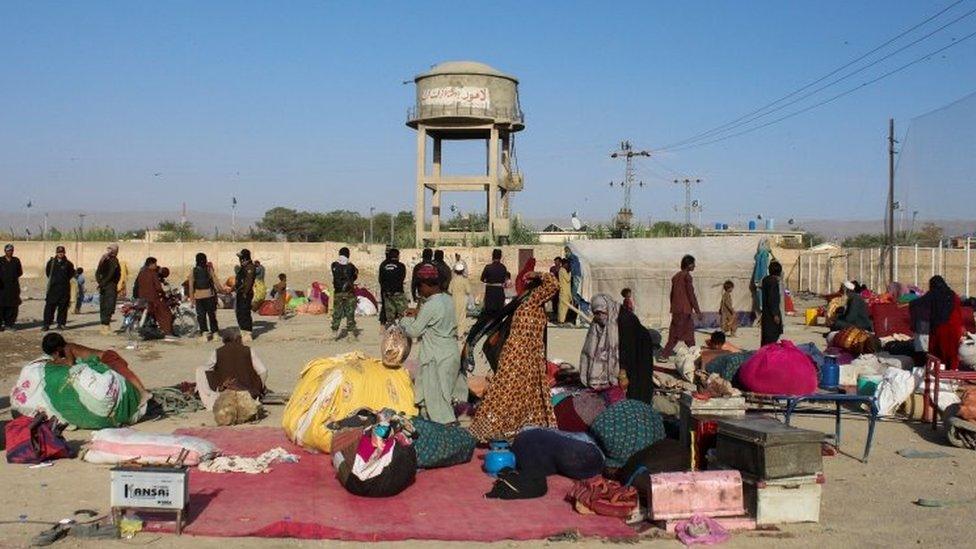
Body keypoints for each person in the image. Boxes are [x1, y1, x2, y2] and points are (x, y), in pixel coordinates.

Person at [470, 271, 559, 441]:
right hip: (521, 358)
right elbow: (554, 284)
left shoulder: (524, 303)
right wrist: (538, 274)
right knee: (510, 393)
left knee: (514, 394)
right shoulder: (531, 301)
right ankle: (502, 430)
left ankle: (506, 429)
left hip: (521, 357)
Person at [400, 264, 466, 424]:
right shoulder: (448, 299)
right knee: (443, 399)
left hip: (436, 358)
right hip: (450, 354)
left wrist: (404, 321)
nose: (420, 292)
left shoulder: (430, 305)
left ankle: (449, 435)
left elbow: (414, 331)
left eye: (420, 287)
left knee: (439, 407)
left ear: (427, 285)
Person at [578, 293, 660, 403]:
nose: (598, 317)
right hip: (627, 349)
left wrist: (622, 373)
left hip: (638, 349)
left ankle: (637, 407)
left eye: (600, 313)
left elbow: (626, 350)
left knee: (637, 383)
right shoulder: (602, 320)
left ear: (607, 308)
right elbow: (591, 347)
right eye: (595, 313)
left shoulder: (624, 319)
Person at [42, 332, 149, 402]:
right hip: (103, 361)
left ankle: (143, 392)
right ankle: (138, 394)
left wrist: (55, 362)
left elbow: (70, 364)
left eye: (54, 353)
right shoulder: (65, 349)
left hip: (107, 357)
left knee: (127, 375)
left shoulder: (68, 347)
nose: (55, 356)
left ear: (58, 348)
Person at [195, 327, 268, 412]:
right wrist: (257, 389)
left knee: (200, 370)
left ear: (224, 340)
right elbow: (263, 371)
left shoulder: (217, 352)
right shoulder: (248, 350)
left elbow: (206, 369)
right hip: (248, 393)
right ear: (238, 338)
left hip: (226, 394)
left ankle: (209, 402)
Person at [915, 276, 965, 370]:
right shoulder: (953, 295)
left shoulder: (932, 295)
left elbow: (922, 306)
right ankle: (952, 374)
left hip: (938, 328)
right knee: (952, 353)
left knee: (936, 352)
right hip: (954, 328)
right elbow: (958, 312)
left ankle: (937, 374)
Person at [659, 255, 702, 360]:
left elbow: (672, 295)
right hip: (684, 310)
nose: (694, 266)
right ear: (688, 265)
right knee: (677, 334)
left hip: (677, 310)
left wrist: (674, 306)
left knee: (685, 332)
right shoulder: (687, 277)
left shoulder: (676, 276)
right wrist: (698, 311)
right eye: (693, 264)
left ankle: (694, 352)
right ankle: (665, 355)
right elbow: (691, 295)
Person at [135, 257, 174, 336]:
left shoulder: (142, 272)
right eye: (155, 264)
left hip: (141, 297)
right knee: (166, 313)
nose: (156, 265)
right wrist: (163, 294)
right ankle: (166, 331)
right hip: (152, 299)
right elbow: (158, 287)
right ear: (151, 264)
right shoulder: (153, 273)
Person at [188, 252, 219, 341]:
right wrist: (222, 290)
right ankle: (215, 334)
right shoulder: (209, 269)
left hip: (199, 296)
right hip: (209, 295)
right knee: (212, 315)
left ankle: (204, 334)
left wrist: (192, 299)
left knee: (201, 316)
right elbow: (215, 281)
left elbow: (191, 287)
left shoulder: (193, 271)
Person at [43, 246, 75, 331]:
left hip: (64, 289)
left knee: (63, 308)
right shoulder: (51, 263)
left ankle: (61, 324)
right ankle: (46, 324)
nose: (60, 254)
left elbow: (70, 274)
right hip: (53, 289)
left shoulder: (68, 264)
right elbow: (48, 273)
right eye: (59, 252)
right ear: (56, 253)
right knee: (49, 307)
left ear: (64, 253)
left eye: (62, 252)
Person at [331, 246, 359, 337]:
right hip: (349, 293)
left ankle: (334, 333)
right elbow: (354, 277)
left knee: (337, 312)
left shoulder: (334, 265)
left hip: (338, 292)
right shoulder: (351, 266)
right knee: (350, 313)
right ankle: (351, 334)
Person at [95, 243, 121, 335]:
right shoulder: (113, 260)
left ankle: (104, 327)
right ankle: (105, 327)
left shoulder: (103, 259)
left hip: (104, 285)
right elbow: (111, 273)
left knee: (104, 305)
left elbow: (97, 273)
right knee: (108, 306)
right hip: (109, 286)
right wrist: (103, 283)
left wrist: (100, 283)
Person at [379, 248, 408, 325]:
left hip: (387, 294)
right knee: (403, 316)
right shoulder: (401, 266)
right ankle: (403, 333)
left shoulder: (383, 265)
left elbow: (380, 280)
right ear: (398, 256)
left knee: (390, 318)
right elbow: (402, 278)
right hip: (398, 293)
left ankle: (391, 334)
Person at [760, 261, 785, 346]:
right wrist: (775, 314)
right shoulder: (773, 282)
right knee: (772, 337)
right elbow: (772, 298)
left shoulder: (765, 280)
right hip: (772, 315)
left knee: (766, 337)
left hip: (766, 313)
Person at [234, 249, 256, 342]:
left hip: (245, 293)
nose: (240, 259)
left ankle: (247, 332)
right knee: (239, 312)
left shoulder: (250, 267)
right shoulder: (244, 267)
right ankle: (243, 330)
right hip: (240, 292)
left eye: (241, 257)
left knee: (245, 312)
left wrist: (245, 293)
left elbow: (249, 281)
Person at [480, 248, 510, 318]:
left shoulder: (488, 267)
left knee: (489, 314)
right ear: (500, 257)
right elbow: (504, 280)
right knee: (499, 314)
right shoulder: (503, 268)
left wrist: (489, 282)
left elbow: (482, 279)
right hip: (499, 293)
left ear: (492, 256)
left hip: (490, 293)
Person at [0, 244, 23, 331]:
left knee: (12, 306)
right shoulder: (0, 260)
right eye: (8, 250)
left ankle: (9, 324)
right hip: (1, 288)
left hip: (13, 287)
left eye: (11, 250)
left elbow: (19, 272)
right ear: (5, 251)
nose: (10, 252)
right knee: (1, 306)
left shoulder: (16, 261)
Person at [448, 261, 471, 336]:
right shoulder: (465, 280)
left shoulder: (453, 280)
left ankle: (454, 332)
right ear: (462, 271)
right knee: (462, 317)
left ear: (455, 271)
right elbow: (468, 291)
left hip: (454, 300)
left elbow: (449, 291)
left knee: (454, 316)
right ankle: (460, 334)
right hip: (462, 300)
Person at [557, 259, 572, 324]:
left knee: (562, 306)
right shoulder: (563, 270)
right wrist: (570, 273)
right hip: (564, 291)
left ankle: (561, 319)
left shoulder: (561, 270)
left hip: (564, 290)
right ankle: (561, 320)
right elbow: (568, 279)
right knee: (564, 307)